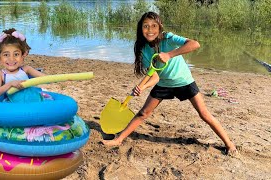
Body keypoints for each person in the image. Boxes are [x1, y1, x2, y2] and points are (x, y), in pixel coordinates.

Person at [102, 12, 238, 155]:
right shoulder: (144, 49)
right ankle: (119, 139)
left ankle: (229, 144)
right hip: (164, 84)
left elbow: (195, 44)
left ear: (160, 27)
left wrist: (169, 54)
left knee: (204, 114)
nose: (150, 30)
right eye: (146, 26)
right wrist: (143, 87)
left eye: (154, 26)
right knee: (143, 113)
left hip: (184, 81)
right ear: (140, 29)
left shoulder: (168, 38)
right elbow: (154, 77)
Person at [0, 28, 45, 101]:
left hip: (36, 102)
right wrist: (10, 84)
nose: (11, 59)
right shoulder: (0, 75)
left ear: (23, 54)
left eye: (16, 54)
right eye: (6, 55)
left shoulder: (26, 69)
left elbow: (45, 78)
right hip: (16, 107)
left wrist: (59, 78)